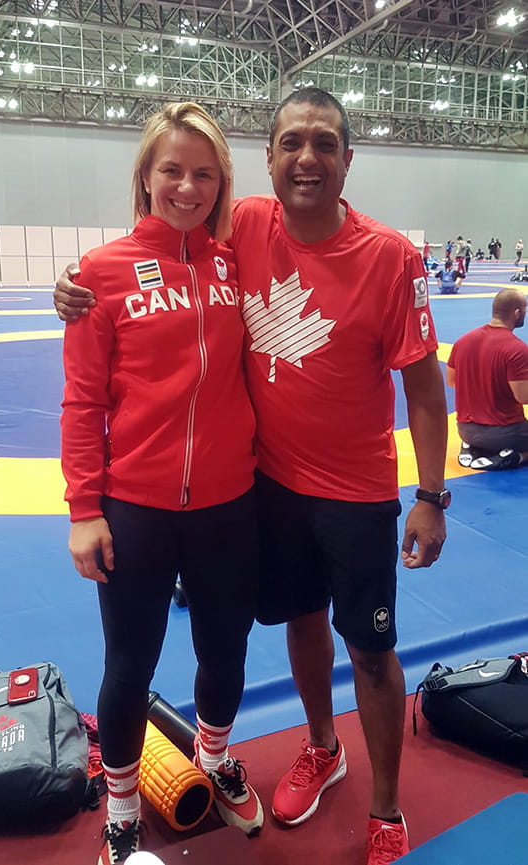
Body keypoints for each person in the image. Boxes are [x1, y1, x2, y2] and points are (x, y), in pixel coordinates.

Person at [55, 87, 448, 865]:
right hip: (193, 494)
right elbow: (87, 383)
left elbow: (425, 386)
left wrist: (431, 495)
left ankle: (327, 789)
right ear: (267, 160)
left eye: (204, 174)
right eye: (290, 144)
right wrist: (78, 284)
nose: (188, 188)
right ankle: (160, 799)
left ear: (345, 158)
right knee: (185, 649)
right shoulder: (170, 252)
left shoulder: (314, 252)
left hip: (292, 495)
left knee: (292, 650)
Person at [60, 102, 264, 865]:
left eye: (204, 172)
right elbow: (82, 402)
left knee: (225, 651)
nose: (187, 185)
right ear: (144, 177)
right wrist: (85, 509)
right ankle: (119, 806)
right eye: (171, 169)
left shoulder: (235, 261)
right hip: (136, 508)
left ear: (222, 182)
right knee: (129, 665)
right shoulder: (98, 274)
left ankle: (212, 759)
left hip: (227, 504)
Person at [447, 288, 528, 470]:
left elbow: (452, 381)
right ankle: (517, 457)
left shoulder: (462, 342)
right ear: (517, 313)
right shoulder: (517, 349)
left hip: (465, 430)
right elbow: (523, 397)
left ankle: (473, 448)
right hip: (506, 433)